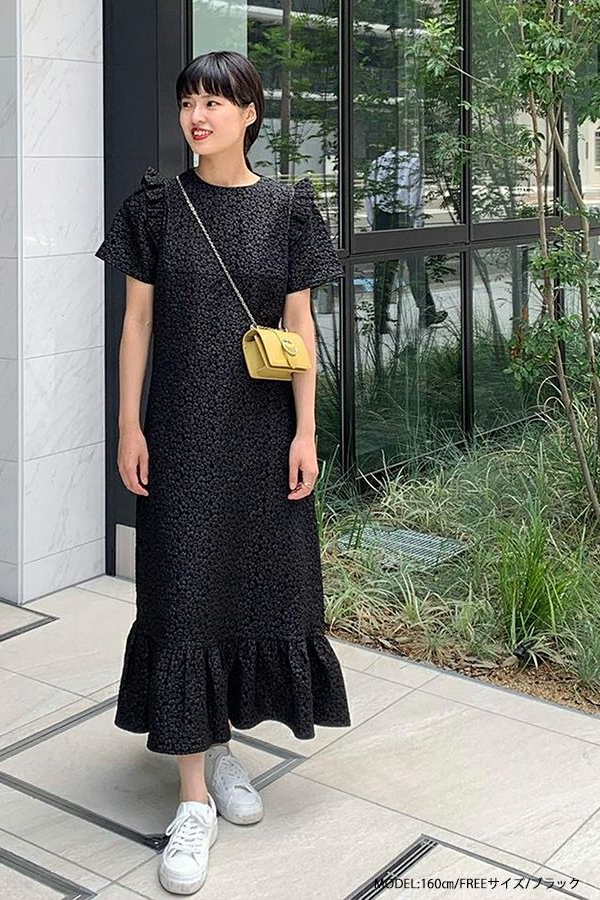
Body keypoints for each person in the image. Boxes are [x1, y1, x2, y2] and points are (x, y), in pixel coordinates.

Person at [95, 50, 352, 895]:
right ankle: (192, 801)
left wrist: (305, 431)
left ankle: (218, 747)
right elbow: (137, 324)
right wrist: (129, 423)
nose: (197, 116)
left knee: (249, 593)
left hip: (261, 437)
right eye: (188, 102)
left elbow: (300, 329)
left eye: (215, 102)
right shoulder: (156, 208)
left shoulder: (289, 210)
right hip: (180, 437)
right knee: (182, 599)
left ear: (250, 115)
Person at [364, 146, 448, 332]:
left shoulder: (377, 163)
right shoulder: (413, 162)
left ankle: (380, 320)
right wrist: (417, 225)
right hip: (404, 217)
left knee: (384, 272)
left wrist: (374, 221)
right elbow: (416, 197)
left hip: (381, 218)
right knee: (417, 268)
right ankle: (427, 312)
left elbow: (368, 196)